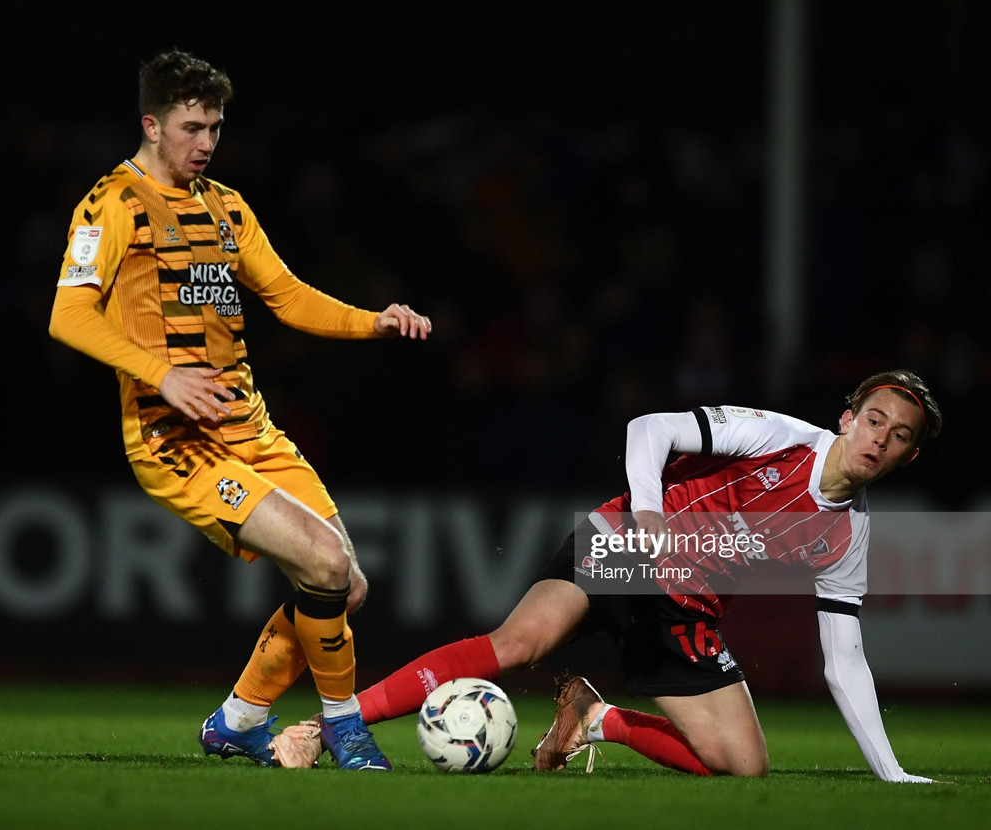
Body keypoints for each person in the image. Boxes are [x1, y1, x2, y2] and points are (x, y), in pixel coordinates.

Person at [47, 48, 431, 771]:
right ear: (151, 125)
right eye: (192, 128)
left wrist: (371, 320)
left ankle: (237, 719)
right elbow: (68, 315)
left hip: (250, 430)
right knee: (321, 562)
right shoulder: (113, 204)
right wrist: (161, 375)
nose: (206, 143)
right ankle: (343, 728)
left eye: (216, 128)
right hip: (175, 442)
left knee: (346, 585)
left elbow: (287, 296)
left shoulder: (225, 206)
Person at [346, 370, 942, 781]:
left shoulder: (848, 535)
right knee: (522, 643)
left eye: (898, 435)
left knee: (743, 766)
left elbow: (844, 659)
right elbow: (649, 427)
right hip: (627, 544)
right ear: (847, 420)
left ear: (907, 456)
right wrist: (650, 514)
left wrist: (890, 773)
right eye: (873, 420)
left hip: (688, 605)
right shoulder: (782, 438)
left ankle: (594, 719)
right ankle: (337, 723)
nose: (879, 437)